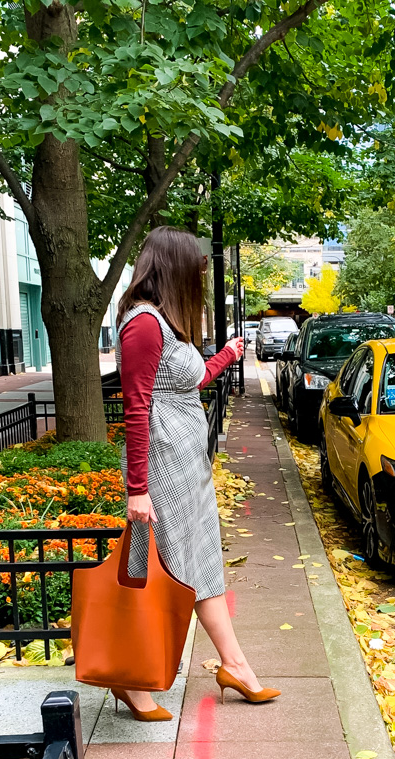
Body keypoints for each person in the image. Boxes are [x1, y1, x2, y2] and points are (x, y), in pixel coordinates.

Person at [112, 226, 280, 721]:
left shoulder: (164, 322)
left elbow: (192, 379)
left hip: (187, 464)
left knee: (202, 564)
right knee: (158, 573)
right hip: (161, 467)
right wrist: (137, 490)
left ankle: (236, 665)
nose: (201, 282)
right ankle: (133, 681)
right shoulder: (142, 324)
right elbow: (137, 406)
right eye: (197, 272)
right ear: (175, 269)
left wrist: (228, 354)